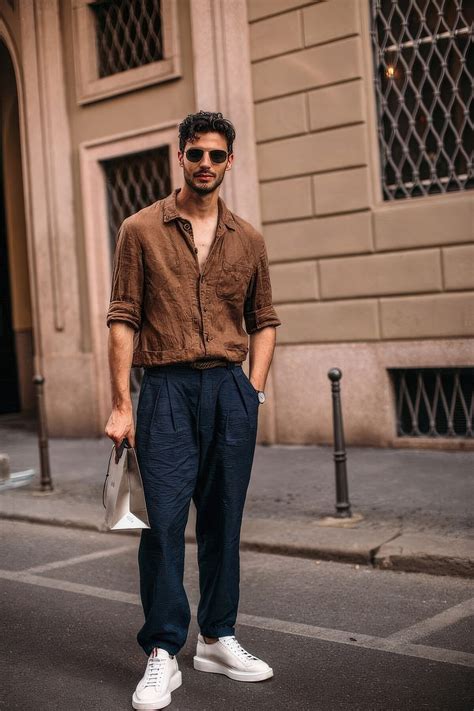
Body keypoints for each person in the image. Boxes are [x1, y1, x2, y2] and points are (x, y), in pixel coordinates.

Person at [105, 110, 281, 710]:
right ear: (181, 156)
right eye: (195, 153)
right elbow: (123, 317)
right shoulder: (140, 230)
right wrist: (121, 404)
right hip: (167, 392)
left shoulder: (248, 239)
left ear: (230, 161)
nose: (206, 163)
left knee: (224, 521)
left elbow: (264, 321)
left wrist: (251, 389)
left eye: (217, 155)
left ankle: (217, 636)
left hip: (229, 390)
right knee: (161, 526)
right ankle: (162, 651)